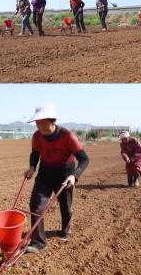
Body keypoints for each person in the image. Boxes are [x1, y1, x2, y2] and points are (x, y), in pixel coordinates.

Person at [23, 103, 89, 253]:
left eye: (41, 122)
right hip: (45, 174)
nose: (38, 126)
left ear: (52, 120)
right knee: (36, 206)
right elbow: (35, 153)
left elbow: (84, 159)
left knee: (65, 206)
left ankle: (65, 230)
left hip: (65, 174)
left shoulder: (67, 136)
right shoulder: (37, 136)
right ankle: (39, 242)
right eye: (37, 123)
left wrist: (74, 176)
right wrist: (32, 167)